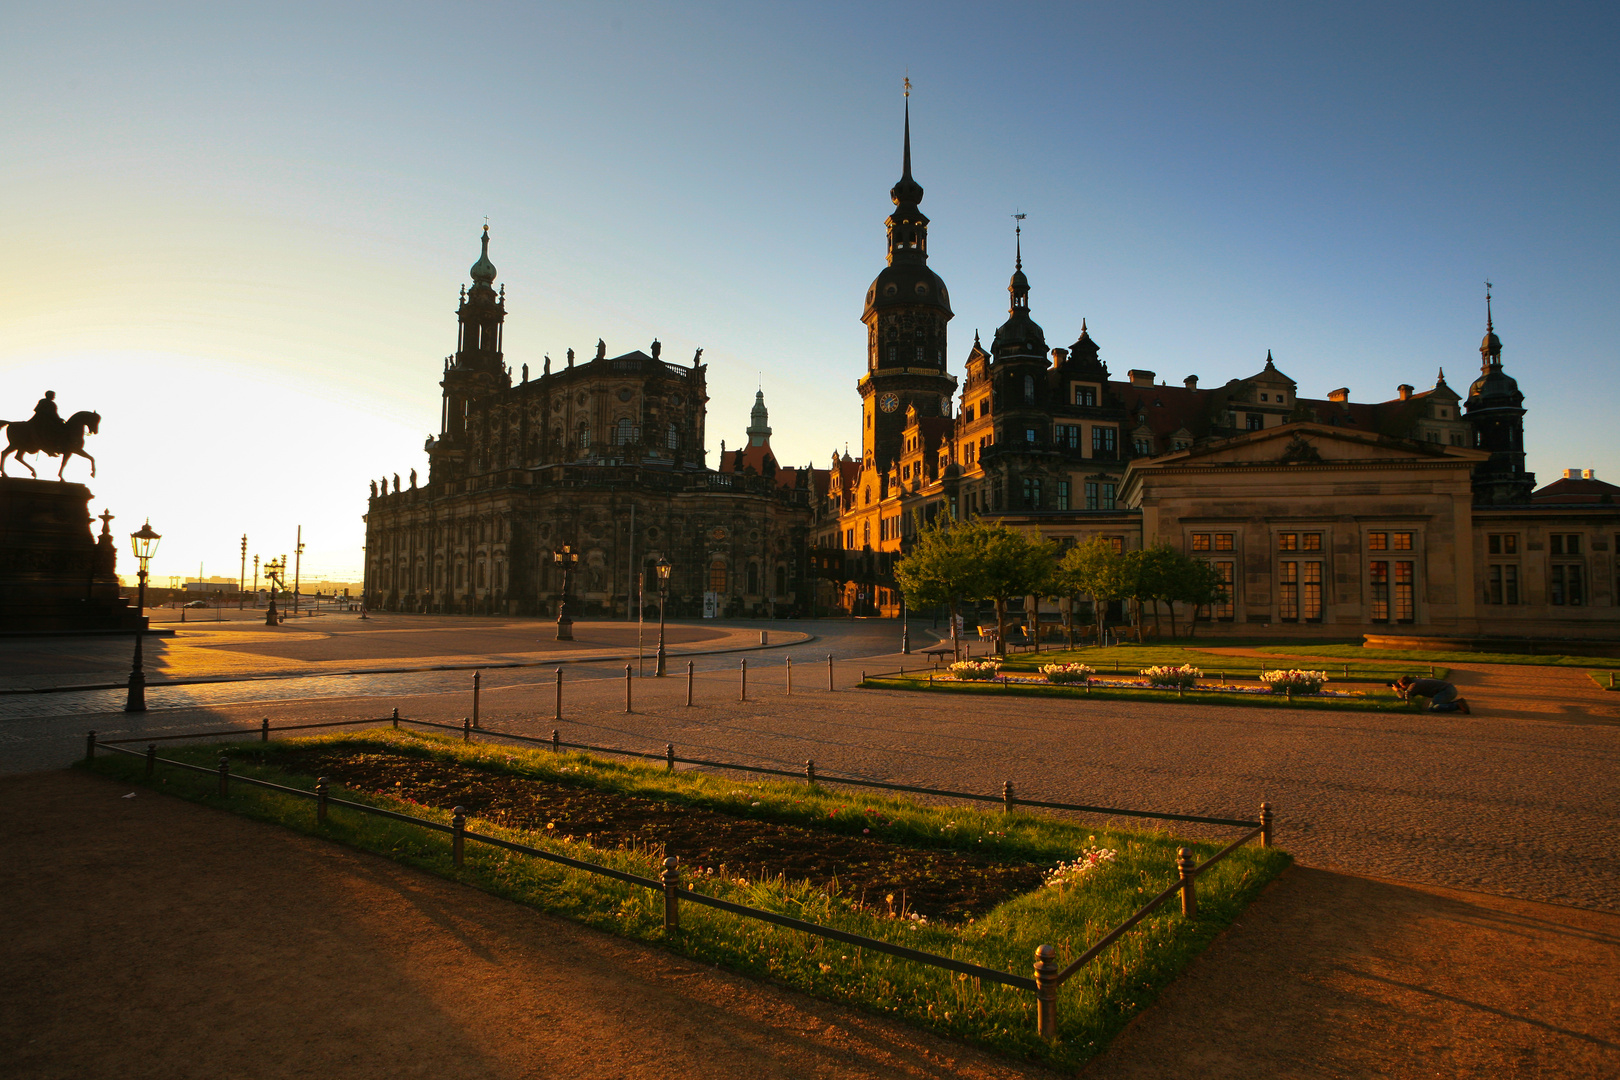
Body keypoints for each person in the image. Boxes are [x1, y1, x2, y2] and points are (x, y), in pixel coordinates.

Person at [1392, 675, 1471, 714]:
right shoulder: (1416, 682)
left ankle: (1457, 705)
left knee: (1432, 708)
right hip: (1449, 689)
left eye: (1401, 685)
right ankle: (1458, 703)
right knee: (1437, 704)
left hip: (1446, 691)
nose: (1401, 687)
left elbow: (1404, 697)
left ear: (1407, 683)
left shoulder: (1414, 685)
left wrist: (1397, 690)